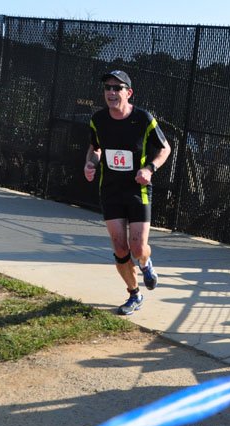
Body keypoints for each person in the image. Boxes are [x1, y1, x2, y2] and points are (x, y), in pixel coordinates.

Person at [84, 70, 172, 315]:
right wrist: (90, 163)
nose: (111, 92)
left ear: (128, 92)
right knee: (119, 247)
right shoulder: (98, 119)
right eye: (108, 88)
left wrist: (150, 168)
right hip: (111, 189)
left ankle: (145, 263)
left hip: (137, 189)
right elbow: (95, 148)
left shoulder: (143, 118)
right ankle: (134, 294)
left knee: (137, 247)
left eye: (117, 88)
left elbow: (165, 149)